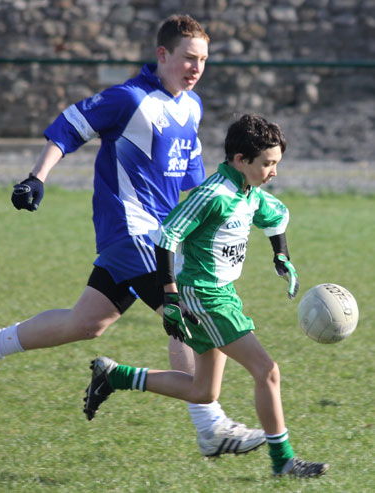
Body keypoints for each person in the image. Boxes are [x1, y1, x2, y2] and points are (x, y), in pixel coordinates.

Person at [0, 15, 266, 456]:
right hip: (132, 230)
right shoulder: (128, 98)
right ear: (163, 55)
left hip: (161, 233)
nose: (197, 68)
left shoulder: (191, 107)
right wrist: (36, 177)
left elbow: (191, 181)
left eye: (204, 60)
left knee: (87, 323)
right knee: (187, 311)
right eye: (189, 58)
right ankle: (211, 427)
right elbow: (68, 126)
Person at [83, 114, 330, 478]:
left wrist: (282, 256)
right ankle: (284, 462)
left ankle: (115, 375)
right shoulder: (213, 194)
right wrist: (169, 298)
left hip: (222, 293)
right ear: (240, 159)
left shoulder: (248, 192)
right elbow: (166, 236)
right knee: (267, 371)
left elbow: (275, 215)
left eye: (277, 163)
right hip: (203, 296)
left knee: (202, 391)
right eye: (268, 163)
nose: (274, 171)